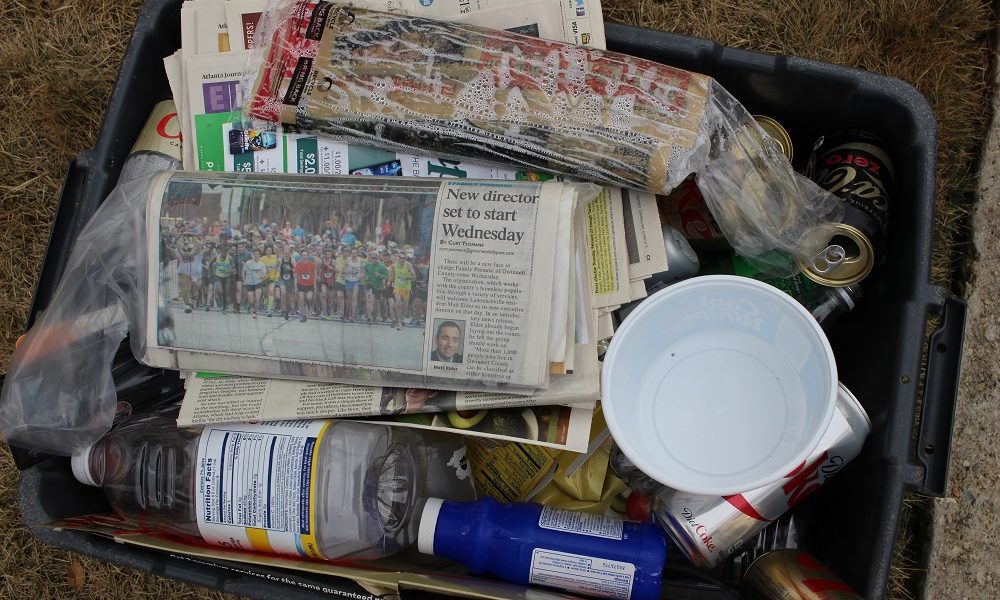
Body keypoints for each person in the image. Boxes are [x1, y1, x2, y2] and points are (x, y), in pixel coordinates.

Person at [175, 237, 202, 313]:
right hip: (183, 271)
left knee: (194, 286)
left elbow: (192, 252)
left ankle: (193, 299)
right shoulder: (180, 249)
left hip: (193, 271)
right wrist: (180, 247)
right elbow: (180, 251)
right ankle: (188, 304)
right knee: (185, 289)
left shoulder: (195, 249)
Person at [364, 251, 389, 325]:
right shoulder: (368, 265)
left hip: (379, 287)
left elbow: (387, 276)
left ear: (378, 258)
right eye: (372, 258)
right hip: (369, 284)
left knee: (377, 303)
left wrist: (379, 275)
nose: (373, 260)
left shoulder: (382, 266)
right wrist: (364, 276)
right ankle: (369, 317)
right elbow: (364, 272)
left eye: (375, 258)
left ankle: (377, 316)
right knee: (370, 300)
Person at [392, 252, 416, 330]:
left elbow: (414, 277)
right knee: (398, 303)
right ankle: (399, 322)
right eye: (400, 258)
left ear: (405, 259)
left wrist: (406, 278)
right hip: (397, 288)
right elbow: (391, 276)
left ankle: (402, 318)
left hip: (406, 288)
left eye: (403, 258)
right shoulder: (394, 265)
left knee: (405, 306)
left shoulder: (408, 265)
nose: (402, 260)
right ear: (398, 258)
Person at [294, 249, 318, 322]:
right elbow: (296, 276)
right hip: (301, 284)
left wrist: (314, 284)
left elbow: (315, 274)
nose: (304, 257)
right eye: (303, 255)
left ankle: (308, 306)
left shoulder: (312, 264)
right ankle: (303, 314)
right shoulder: (298, 265)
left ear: (308, 256)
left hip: (310, 284)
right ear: (301, 256)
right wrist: (295, 287)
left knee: (309, 297)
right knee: (301, 298)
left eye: (306, 255)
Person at [242, 249, 267, 316]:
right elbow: (243, 271)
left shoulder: (262, 264)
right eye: (255, 254)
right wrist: (244, 280)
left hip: (258, 283)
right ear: (252, 255)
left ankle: (255, 311)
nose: (256, 256)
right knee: (251, 300)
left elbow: (264, 274)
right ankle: (250, 306)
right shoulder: (248, 263)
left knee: (257, 298)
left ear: (259, 255)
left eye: (257, 254)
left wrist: (263, 276)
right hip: (249, 283)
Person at [213, 245, 235, 314]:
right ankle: (221, 301)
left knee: (226, 292)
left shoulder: (230, 258)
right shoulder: (216, 257)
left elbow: (234, 269)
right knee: (220, 291)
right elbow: (212, 265)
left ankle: (224, 307)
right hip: (218, 277)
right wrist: (214, 271)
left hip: (226, 277)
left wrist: (229, 271)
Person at [342, 247, 362, 322]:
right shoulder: (348, 260)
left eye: (355, 253)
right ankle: (348, 314)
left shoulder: (360, 260)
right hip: (348, 280)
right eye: (353, 253)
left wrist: (361, 275)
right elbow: (343, 271)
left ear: (357, 253)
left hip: (356, 281)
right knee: (349, 299)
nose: (354, 255)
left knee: (354, 297)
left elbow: (362, 271)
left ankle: (353, 316)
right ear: (351, 253)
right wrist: (348, 271)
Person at [277, 246, 296, 320]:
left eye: (288, 253)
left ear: (290, 253)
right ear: (283, 253)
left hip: (290, 279)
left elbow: (296, 270)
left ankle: (287, 309)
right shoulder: (280, 259)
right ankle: (283, 309)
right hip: (282, 279)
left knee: (288, 296)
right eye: (285, 253)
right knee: (283, 293)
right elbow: (276, 268)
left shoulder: (292, 260)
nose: (286, 255)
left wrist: (291, 269)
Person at [260, 244, 278, 316]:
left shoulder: (275, 257)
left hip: (272, 278)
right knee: (265, 293)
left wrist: (276, 276)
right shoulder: (262, 259)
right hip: (264, 279)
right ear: (265, 251)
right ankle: (266, 303)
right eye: (267, 250)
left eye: (270, 250)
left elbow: (277, 268)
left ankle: (269, 309)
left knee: (270, 291)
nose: (269, 251)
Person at [319, 249, 337, 319]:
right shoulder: (321, 262)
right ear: (324, 254)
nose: (328, 256)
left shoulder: (333, 261)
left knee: (331, 298)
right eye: (326, 254)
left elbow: (337, 270)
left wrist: (332, 268)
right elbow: (318, 271)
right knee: (323, 296)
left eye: (329, 254)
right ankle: (324, 311)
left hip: (331, 281)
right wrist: (318, 277)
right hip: (324, 281)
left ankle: (331, 311)